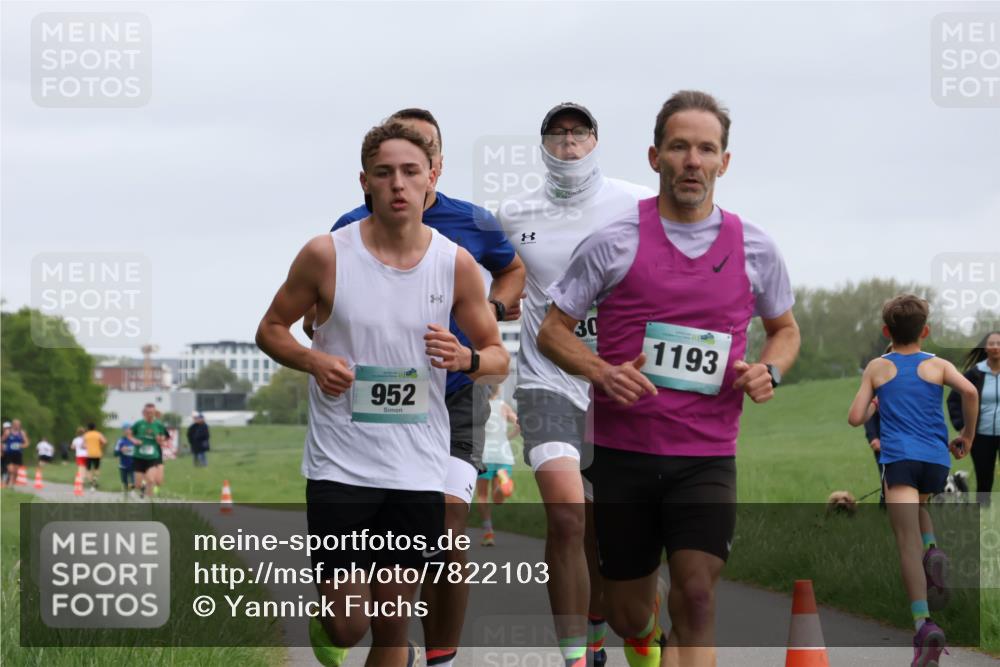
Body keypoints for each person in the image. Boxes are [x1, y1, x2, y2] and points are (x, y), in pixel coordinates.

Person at [538, 91, 800, 667]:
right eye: (679, 147)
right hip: (624, 454)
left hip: (706, 456)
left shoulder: (755, 246)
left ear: (723, 163)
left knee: (699, 595)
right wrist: (602, 372)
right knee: (631, 612)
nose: (692, 160)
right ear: (655, 157)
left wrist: (770, 370)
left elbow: (785, 330)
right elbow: (552, 332)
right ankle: (640, 632)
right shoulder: (613, 242)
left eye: (706, 149)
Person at [255, 119, 509, 667]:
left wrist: (466, 357)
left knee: (392, 625)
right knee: (350, 625)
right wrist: (313, 359)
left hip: (417, 469)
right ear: (365, 182)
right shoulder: (327, 255)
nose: (398, 183)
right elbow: (271, 329)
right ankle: (330, 628)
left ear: (431, 178)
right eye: (384, 173)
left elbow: (497, 356)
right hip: (340, 467)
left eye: (410, 172)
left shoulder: (455, 263)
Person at [498, 102, 654, 667]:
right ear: (542, 143)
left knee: (614, 530)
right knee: (567, 515)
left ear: (595, 140)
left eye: (579, 132)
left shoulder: (638, 202)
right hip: (548, 381)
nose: (569, 142)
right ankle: (575, 659)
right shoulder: (513, 214)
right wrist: (500, 303)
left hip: (622, 384)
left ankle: (631, 632)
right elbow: (500, 278)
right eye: (557, 133)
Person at [848, 294, 978, 665]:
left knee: (906, 543)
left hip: (899, 459)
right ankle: (934, 548)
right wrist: (966, 436)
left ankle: (923, 624)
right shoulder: (937, 364)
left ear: (887, 331)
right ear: (926, 330)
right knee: (921, 506)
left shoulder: (877, 366)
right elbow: (969, 390)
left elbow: (855, 417)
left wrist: (874, 401)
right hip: (935, 460)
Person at [947, 330, 1000, 505]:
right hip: (981, 436)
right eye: (991, 343)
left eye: (999, 343)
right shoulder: (975, 373)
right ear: (985, 348)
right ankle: (983, 514)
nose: (995, 347)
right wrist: (962, 425)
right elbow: (954, 398)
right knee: (984, 479)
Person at [476, 384, 518, 547]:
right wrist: (508, 436)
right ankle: (502, 483)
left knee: (482, 496)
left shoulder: (479, 407)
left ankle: (488, 533)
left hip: (484, 455)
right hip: (503, 454)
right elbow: (519, 424)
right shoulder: (503, 406)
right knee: (498, 499)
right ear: (498, 390)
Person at [132, 403, 168, 498]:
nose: (150, 414)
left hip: (153, 456)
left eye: (152, 412)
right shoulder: (139, 424)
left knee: (152, 480)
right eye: (148, 412)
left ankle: (150, 500)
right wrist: (135, 440)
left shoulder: (159, 425)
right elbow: (129, 434)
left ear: (155, 413)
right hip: (139, 456)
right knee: (138, 484)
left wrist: (160, 440)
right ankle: (142, 488)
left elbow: (164, 438)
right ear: (144, 413)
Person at [3, 419, 31, 488]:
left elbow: (27, 443)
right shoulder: (8, 432)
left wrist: (21, 445)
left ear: (20, 425)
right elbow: (2, 440)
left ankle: (12, 484)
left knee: (16, 471)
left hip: (18, 454)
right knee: (10, 469)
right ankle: (7, 481)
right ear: (13, 425)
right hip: (9, 453)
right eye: (15, 424)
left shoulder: (22, 433)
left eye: (18, 424)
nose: (17, 426)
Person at [114, 422, 138, 494]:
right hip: (123, 464)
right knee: (124, 480)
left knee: (132, 478)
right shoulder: (121, 441)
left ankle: (132, 491)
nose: (127, 431)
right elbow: (115, 453)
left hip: (133, 463)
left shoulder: (135, 440)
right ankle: (125, 491)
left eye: (128, 429)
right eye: (125, 429)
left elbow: (139, 450)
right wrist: (121, 451)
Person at [82, 422, 107, 490]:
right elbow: (104, 442)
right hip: (97, 454)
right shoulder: (98, 434)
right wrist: (100, 446)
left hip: (89, 454)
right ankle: (95, 481)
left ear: (88, 428)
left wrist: (87, 446)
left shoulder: (86, 435)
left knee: (88, 469)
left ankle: (91, 483)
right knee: (96, 468)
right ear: (95, 427)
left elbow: (83, 445)